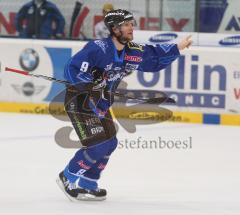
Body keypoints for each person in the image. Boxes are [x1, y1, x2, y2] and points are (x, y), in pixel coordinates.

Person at [56, 9, 192, 201]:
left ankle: (88, 183)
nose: (131, 28)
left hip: (100, 104)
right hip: (81, 101)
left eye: (131, 24)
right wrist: (87, 81)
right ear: (114, 28)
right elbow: (73, 67)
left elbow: (153, 58)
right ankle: (67, 176)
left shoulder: (132, 52)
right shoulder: (98, 48)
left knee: (110, 143)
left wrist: (178, 47)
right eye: (126, 24)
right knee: (99, 145)